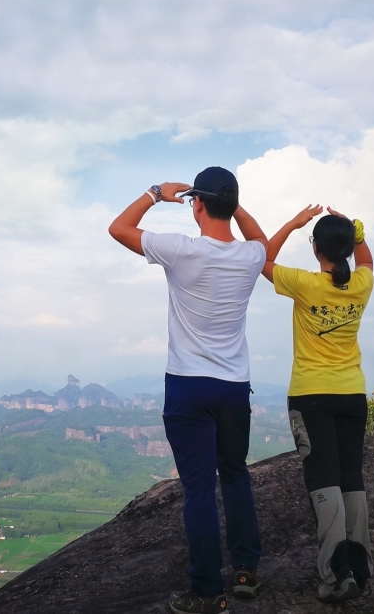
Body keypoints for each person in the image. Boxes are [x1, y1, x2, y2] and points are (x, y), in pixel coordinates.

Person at [108, 167, 268, 614]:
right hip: (234, 387)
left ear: (196, 203)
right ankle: (245, 571)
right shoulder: (252, 256)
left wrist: (155, 193)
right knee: (235, 474)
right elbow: (260, 237)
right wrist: (232, 205)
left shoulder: (179, 250)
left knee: (198, 488)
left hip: (187, 386)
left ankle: (205, 590)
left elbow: (118, 228)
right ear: (231, 206)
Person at [260, 204, 374, 603]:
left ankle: (335, 574)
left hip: (312, 396)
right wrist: (355, 232)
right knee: (352, 480)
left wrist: (292, 223)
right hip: (352, 393)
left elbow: (263, 258)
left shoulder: (305, 284)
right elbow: (368, 260)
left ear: (316, 249)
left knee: (323, 480)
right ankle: (359, 569)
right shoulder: (360, 284)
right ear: (344, 248)